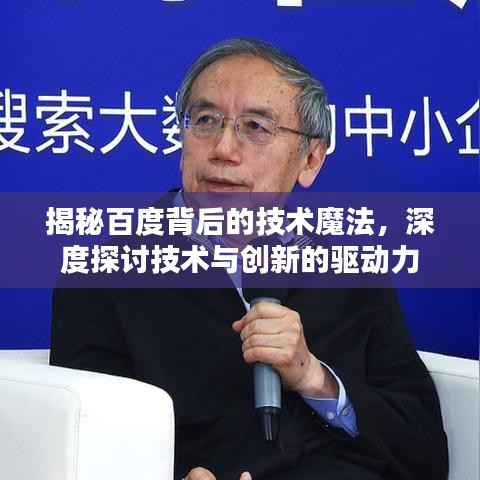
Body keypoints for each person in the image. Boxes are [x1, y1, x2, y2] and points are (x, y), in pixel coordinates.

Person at [50, 38, 448, 480]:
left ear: (310, 159)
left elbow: (424, 447)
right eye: (205, 120)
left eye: (255, 127)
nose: (223, 148)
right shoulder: (105, 273)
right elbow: (90, 441)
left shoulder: (349, 269)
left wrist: (314, 378)